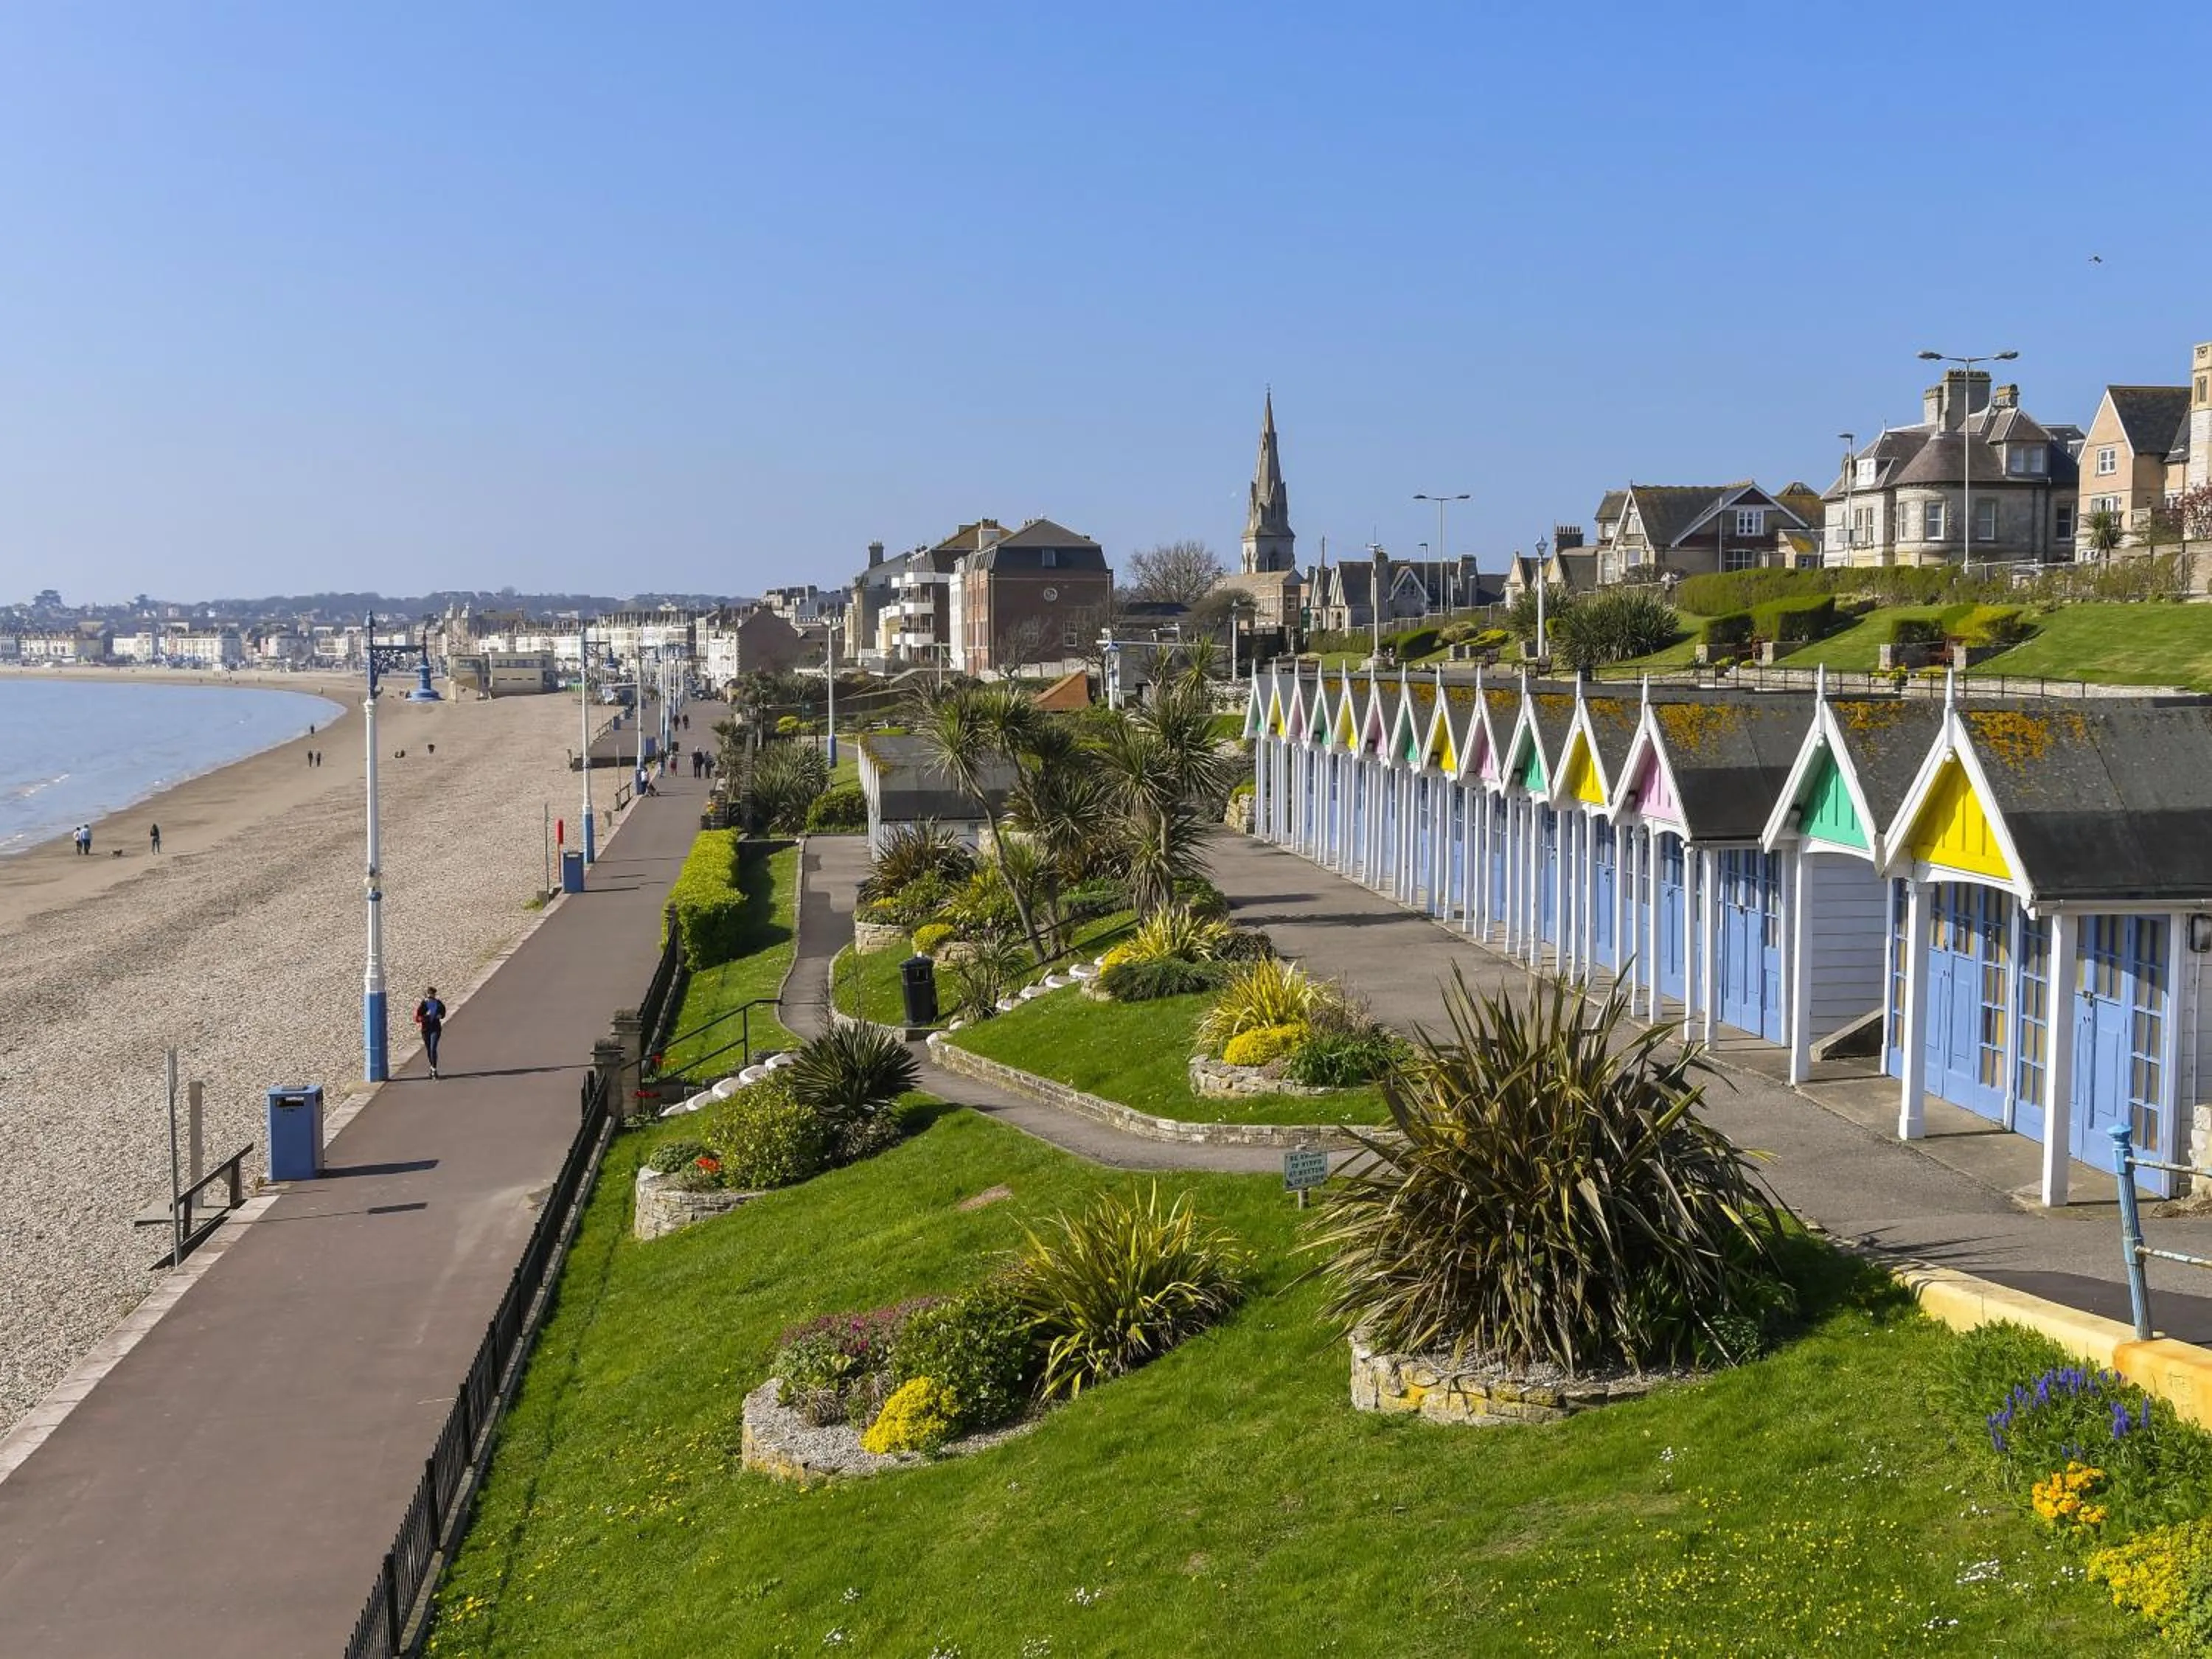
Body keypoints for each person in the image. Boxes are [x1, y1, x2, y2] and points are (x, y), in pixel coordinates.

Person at [414, 987, 448, 1079]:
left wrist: (439, 1015)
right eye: (429, 995)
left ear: (434, 995)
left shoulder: (438, 1004)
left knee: (433, 1048)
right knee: (429, 1050)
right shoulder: (423, 1004)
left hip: (435, 1029)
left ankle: (434, 1070)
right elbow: (418, 1017)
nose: (431, 996)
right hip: (425, 1030)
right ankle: (432, 1067)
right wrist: (426, 1016)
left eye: (432, 994)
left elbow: (443, 1014)